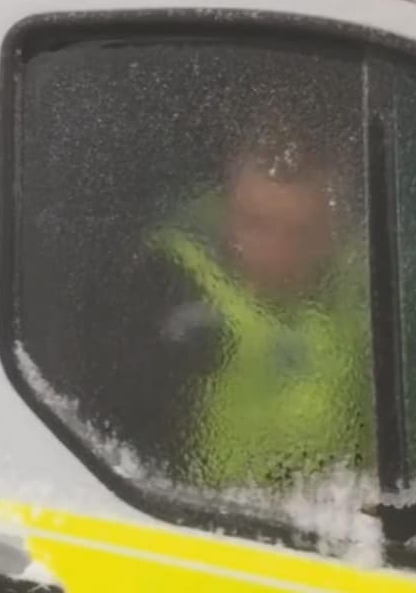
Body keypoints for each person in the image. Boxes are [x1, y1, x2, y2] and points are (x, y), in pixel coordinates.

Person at [143, 123, 375, 489]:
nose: (275, 253)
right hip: (203, 514)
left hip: (339, 517)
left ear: (332, 233)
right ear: (227, 217)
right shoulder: (174, 295)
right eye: (256, 225)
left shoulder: (372, 297)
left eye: (299, 232)